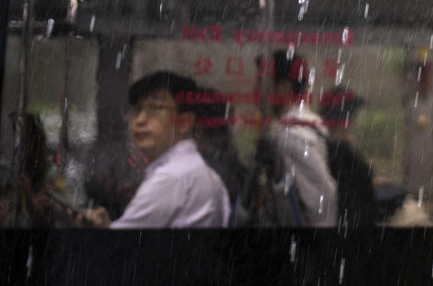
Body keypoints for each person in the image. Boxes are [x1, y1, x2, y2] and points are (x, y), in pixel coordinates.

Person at [82, 72, 230, 228]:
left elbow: (118, 246)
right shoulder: (194, 170)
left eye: (155, 108)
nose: (139, 120)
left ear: (184, 122)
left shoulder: (173, 177)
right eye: (137, 109)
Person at [263, 49, 338, 226]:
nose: (256, 90)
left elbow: (323, 197)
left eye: (263, 83)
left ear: (283, 87)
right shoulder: (308, 124)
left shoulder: (292, 135)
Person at [317, 85, 377, 231]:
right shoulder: (344, 155)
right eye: (353, 115)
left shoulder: (321, 146)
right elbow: (366, 200)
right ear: (347, 119)